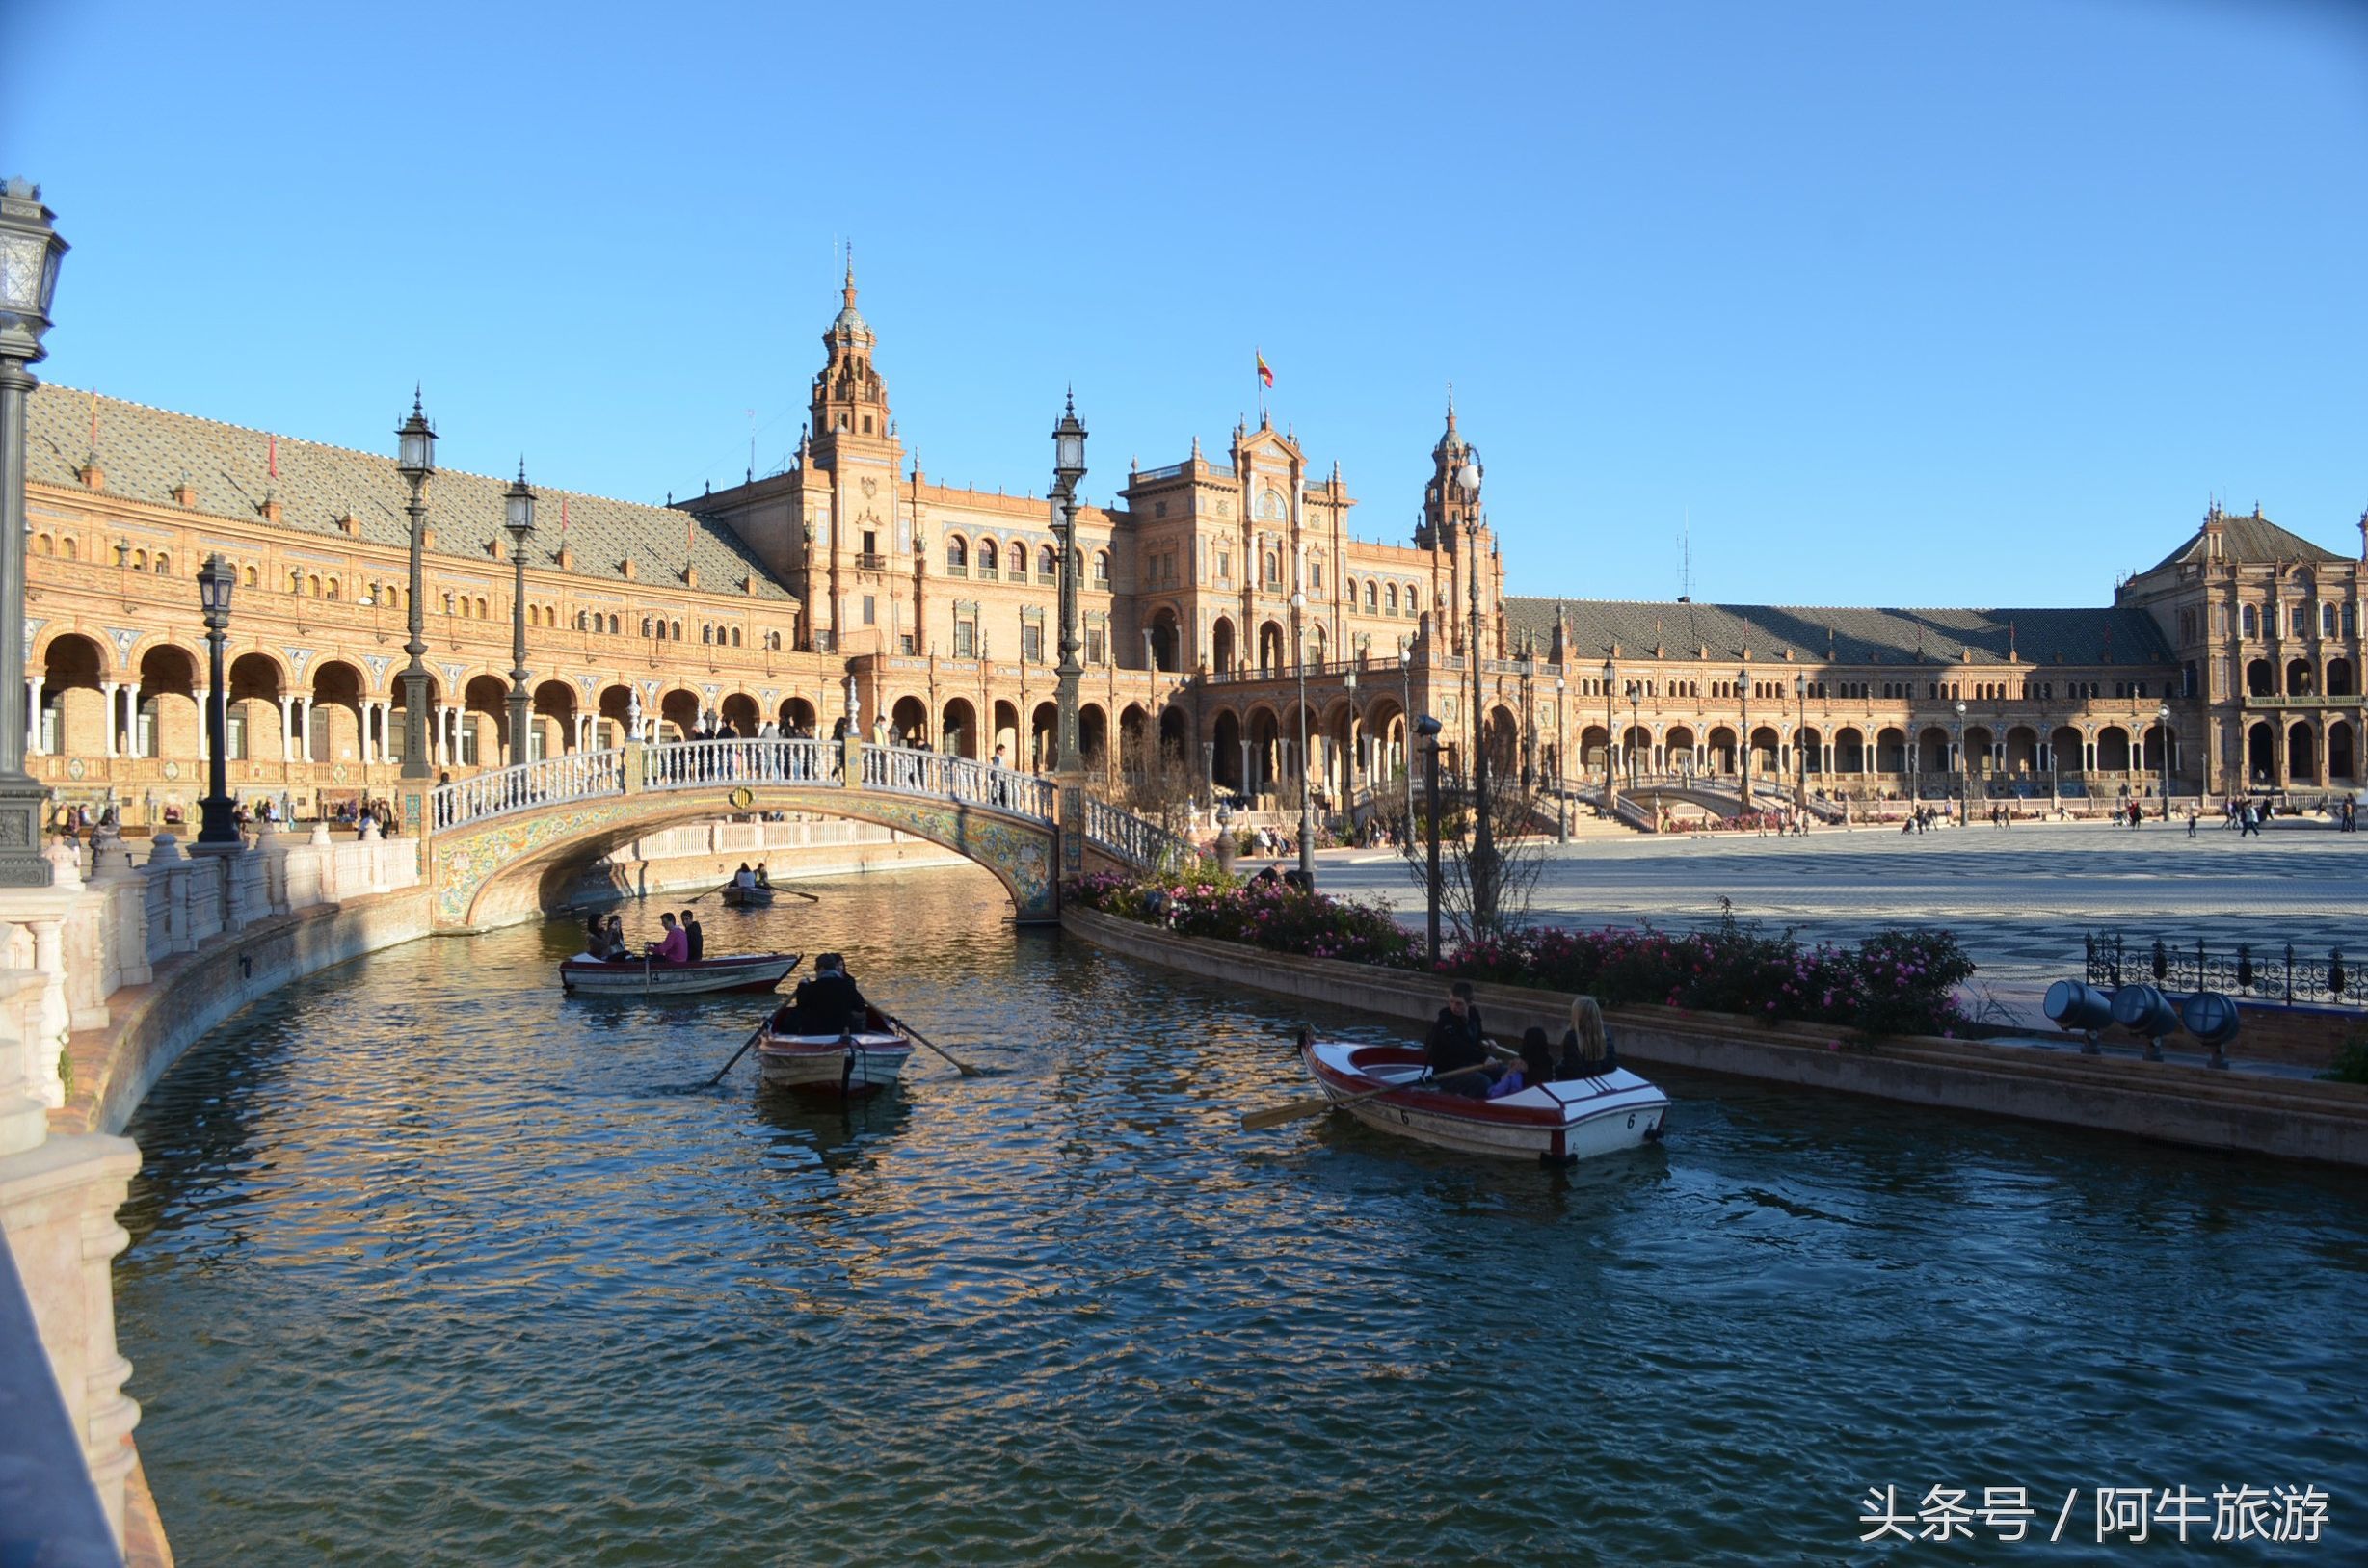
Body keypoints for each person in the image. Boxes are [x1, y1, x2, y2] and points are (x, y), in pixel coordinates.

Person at [1423, 980, 1496, 1097]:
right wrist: (1484, 1058)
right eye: (1451, 1002)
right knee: (1483, 1082)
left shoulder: (1473, 1014)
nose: (1453, 1007)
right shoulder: (1445, 1021)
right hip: (1448, 1072)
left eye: (1459, 1004)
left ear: (1469, 1003)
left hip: (1469, 1064)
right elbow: (1458, 1047)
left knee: (1502, 1071)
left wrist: (1487, 1041)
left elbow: (1478, 1035)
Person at [771, 952, 867, 1036]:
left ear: (821, 969)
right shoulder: (847, 985)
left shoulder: (811, 988)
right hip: (842, 1030)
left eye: (815, 969)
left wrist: (802, 986)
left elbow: (801, 1006)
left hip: (815, 1032)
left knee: (793, 1015)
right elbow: (860, 1007)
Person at [1559, 997, 1617, 1078]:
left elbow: (1573, 1070)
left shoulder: (1572, 1037)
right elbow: (1611, 1066)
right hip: (1602, 1080)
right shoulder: (1605, 1035)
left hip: (1580, 1082)